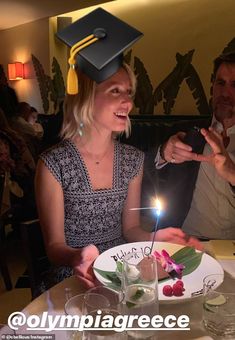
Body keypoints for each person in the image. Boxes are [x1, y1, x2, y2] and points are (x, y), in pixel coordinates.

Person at [35, 8, 202, 289]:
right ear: (87, 97)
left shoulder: (133, 160)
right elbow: (54, 247)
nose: (128, 102)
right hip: (76, 278)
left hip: (122, 273)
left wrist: (156, 236)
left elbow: (130, 229)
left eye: (129, 92)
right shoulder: (53, 164)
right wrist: (79, 256)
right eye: (115, 91)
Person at [151, 52, 235, 240]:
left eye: (234, 85)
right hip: (187, 242)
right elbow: (144, 169)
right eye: (220, 83)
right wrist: (164, 152)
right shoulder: (188, 133)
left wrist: (232, 173)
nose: (225, 93)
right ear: (212, 86)